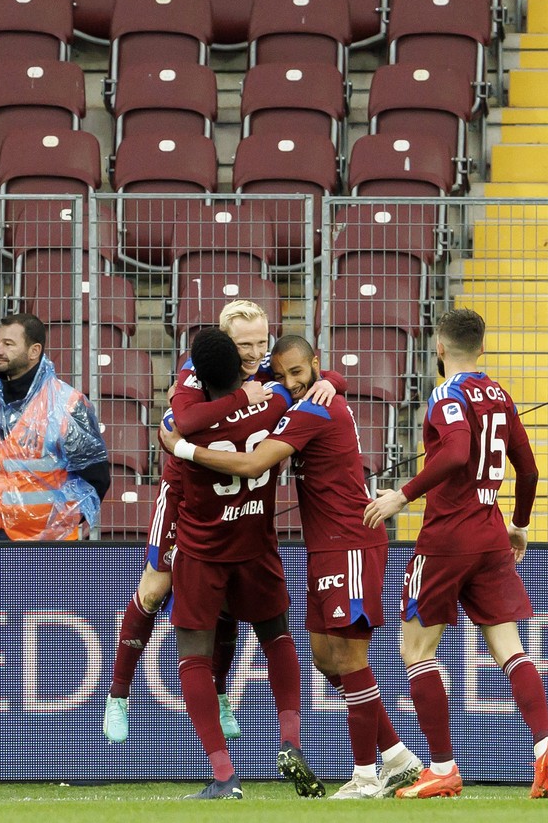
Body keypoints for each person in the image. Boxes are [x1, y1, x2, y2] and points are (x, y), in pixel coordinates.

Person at [162, 334, 423, 800]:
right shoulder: (295, 399)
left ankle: (366, 776)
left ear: (315, 364)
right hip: (321, 548)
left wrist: (181, 449)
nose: (289, 383)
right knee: (325, 659)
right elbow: (297, 390)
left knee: (349, 659)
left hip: (350, 542)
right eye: (281, 375)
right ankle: (399, 757)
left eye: (298, 374)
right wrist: (330, 381)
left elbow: (253, 460)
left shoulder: (311, 408)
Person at [104, 300, 342, 802]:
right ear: (224, 345)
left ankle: (219, 728)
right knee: (154, 588)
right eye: (245, 346)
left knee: (212, 622)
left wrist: (328, 379)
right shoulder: (206, 379)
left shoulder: (268, 381)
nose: (257, 353)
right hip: (188, 499)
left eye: (262, 342)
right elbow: (186, 419)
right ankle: (119, 695)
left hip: (219, 520)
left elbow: (181, 432)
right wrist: (284, 393)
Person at [360, 308, 548, 799]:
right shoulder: (499, 394)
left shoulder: (446, 394)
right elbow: (529, 470)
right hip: (492, 533)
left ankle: (443, 767)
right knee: (510, 649)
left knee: (416, 651)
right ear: (481, 347)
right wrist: (519, 525)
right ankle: (543, 746)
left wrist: (400, 495)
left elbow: (453, 453)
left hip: (448, 538)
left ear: (439, 347)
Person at [167, 328, 311, 800]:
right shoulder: (272, 404)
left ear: (197, 378)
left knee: (194, 658)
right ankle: (290, 740)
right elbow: (304, 386)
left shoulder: (187, 422)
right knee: (277, 637)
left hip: (202, 550)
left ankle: (224, 776)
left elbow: (180, 426)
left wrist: (180, 443)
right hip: (256, 543)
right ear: (240, 367)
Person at [0, 313, 110, 541]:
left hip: (47, 544)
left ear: (34, 351)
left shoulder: (67, 405)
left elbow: (95, 480)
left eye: (8, 344)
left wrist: (57, 529)